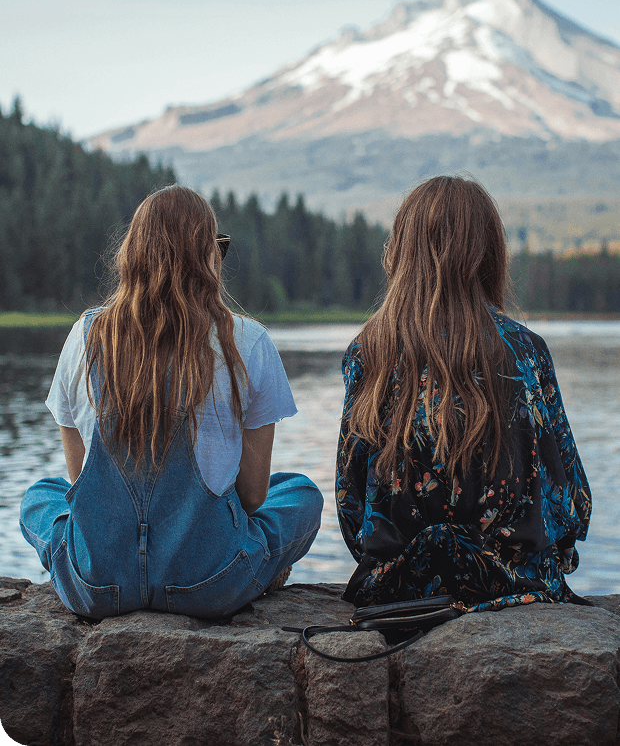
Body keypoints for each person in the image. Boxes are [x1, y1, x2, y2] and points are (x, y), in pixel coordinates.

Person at [20, 185, 322, 620]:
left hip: (99, 586)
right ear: (209, 257)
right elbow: (254, 496)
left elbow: (79, 483)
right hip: (209, 585)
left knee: (41, 495)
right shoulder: (248, 341)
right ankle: (259, 564)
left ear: (133, 254)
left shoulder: (86, 337)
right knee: (299, 493)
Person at [336, 176, 591, 611]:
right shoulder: (525, 350)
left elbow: (351, 502)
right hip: (511, 582)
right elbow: (572, 500)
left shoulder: (368, 351)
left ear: (402, 252)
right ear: (489, 255)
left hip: (400, 585)